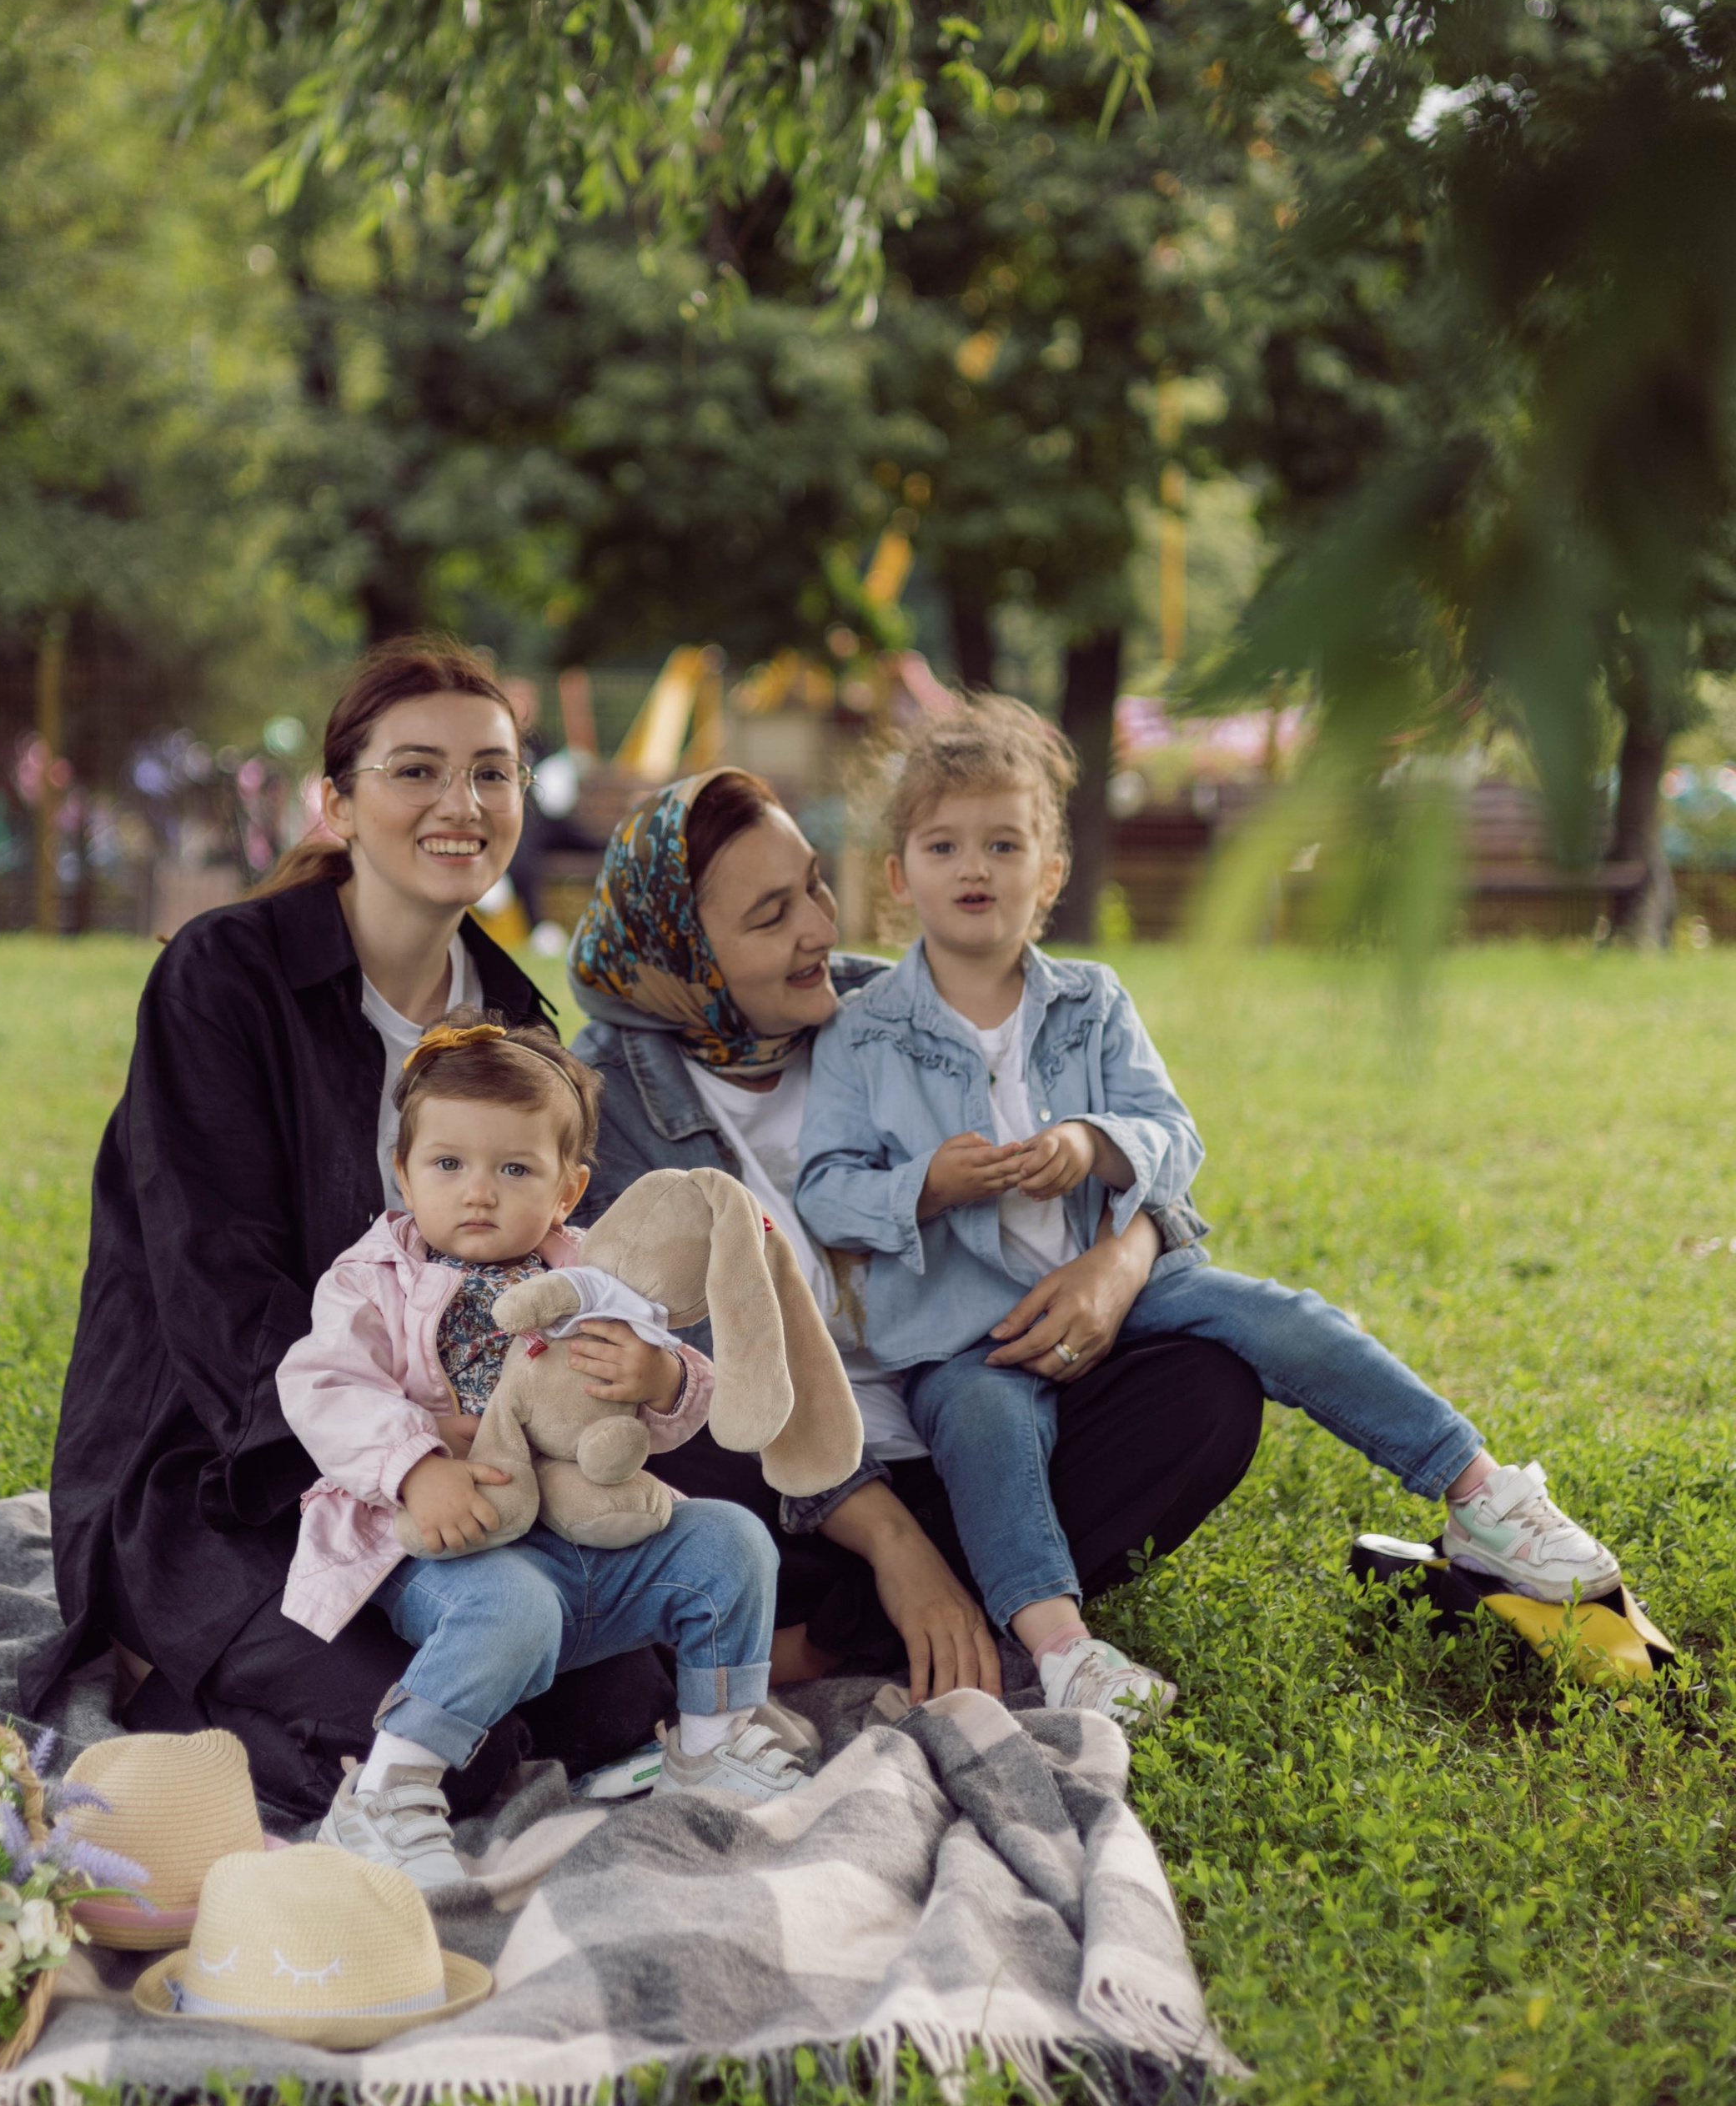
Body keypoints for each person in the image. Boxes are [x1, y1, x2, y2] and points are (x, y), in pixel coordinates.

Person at [797, 695, 1623, 1717]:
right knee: (984, 1428)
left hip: (1129, 1284)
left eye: (1004, 844)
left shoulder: (1093, 1002)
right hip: (966, 1336)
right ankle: (1063, 1653)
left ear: (1049, 874)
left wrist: (1092, 1144)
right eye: (944, 846)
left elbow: (1172, 1134)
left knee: (1285, 1317)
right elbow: (824, 1192)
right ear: (897, 875)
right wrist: (925, 1184)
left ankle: (1479, 1494)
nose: (975, 867)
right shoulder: (863, 1034)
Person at [18, 639, 681, 1820]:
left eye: (492, 773)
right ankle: (169, 1673)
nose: (460, 804)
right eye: (416, 771)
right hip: (227, 1470)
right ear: (336, 803)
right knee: (461, 1751)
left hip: (467, 1467)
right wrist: (405, 1455)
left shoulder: (516, 1028)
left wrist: (552, 1416)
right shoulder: (225, 976)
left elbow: (547, 1272)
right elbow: (217, 1292)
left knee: (619, 1700)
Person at [566, 766, 1267, 1701]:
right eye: (771, 917)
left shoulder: (893, 1006)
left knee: (1206, 1393)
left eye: (814, 885)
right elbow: (693, 1363)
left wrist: (1122, 1259)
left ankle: (830, 1637)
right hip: (784, 1481)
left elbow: (1129, 1148)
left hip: (975, 1420)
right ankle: (882, 1613)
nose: (820, 928)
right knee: (655, 1397)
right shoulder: (603, 1100)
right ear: (680, 955)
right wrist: (895, 1543)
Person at [275, 1011, 810, 1890]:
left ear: (568, 1190)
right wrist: (416, 1466)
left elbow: (665, 1419)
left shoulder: (598, 1279)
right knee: (514, 1605)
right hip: (446, 1548)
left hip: (588, 1539)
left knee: (731, 1541)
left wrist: (660, 1377)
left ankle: (711, 1746)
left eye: (514, 1169)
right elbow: (323, 1386)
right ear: (403, 1172)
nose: (478, 1193)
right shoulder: (371, 1279)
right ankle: (383, 1794)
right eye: (448, 1164)